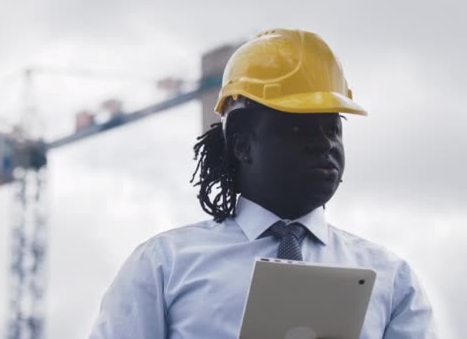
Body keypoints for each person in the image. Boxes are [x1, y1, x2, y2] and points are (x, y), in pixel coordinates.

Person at [89, 29, 437, 339]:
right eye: (299, 128)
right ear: (241, 142)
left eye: (332, 128)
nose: (324, 144)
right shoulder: (164, 267)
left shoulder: (392, 279)